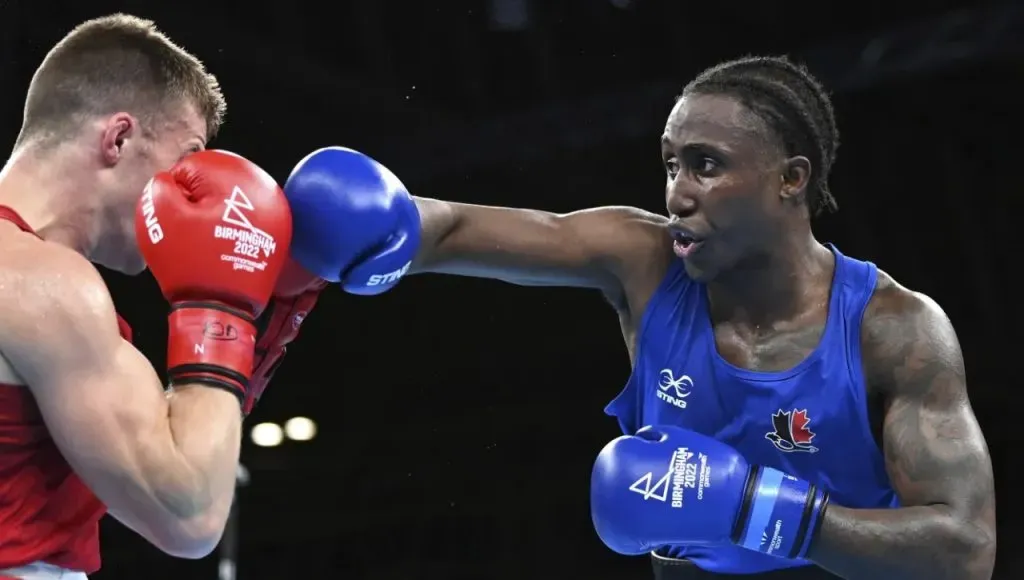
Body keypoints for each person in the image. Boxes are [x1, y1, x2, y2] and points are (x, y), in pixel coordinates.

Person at [280, 55, 996, 579]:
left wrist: (756, 511)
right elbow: (456, 228)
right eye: (671, 164)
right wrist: (384, 224)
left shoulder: (891, 329)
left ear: (791, 178)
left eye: (707, 165)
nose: (679, 192)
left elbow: (965, 547)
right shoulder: (643, 259)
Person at [0, 14, 311, 579]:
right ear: (119, 138)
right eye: (186, 155)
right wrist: (223, 310)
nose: (189, 180)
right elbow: (187, 516)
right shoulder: (41, 283)